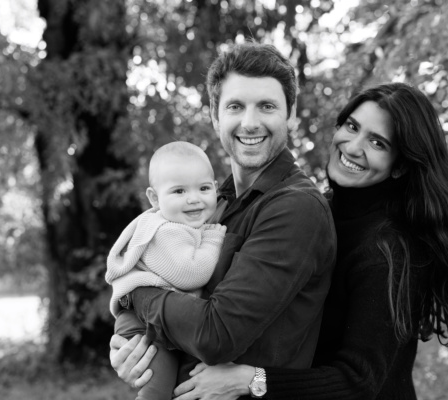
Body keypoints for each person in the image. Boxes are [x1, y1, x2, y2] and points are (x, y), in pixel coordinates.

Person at [113, 82, 448, 400]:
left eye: (377, 142)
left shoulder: (390, 250)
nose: (353, 146)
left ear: (402, 164)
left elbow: (361, 380)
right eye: (351, 126)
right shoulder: (315, 210)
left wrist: (253, 379)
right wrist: (134, 343)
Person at [109, 42, 337, 397]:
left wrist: (136, 296)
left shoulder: (296, 208)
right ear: (216, 117)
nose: (250, 122)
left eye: (267, 106)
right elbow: (181, 306)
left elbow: (215, 336)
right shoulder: (210, 204)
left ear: (290, 115)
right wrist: (136, 350)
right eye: (235, 106)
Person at [105, 141, 227, 400]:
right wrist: (214, 239)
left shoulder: (179, 224)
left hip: (152, 318)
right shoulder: (166, 230)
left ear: (216, 189)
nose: (193, 198)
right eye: (179, 190)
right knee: (156, 388)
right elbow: (191, 273)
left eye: (204, 188)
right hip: (142, 325)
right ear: (153, 198)